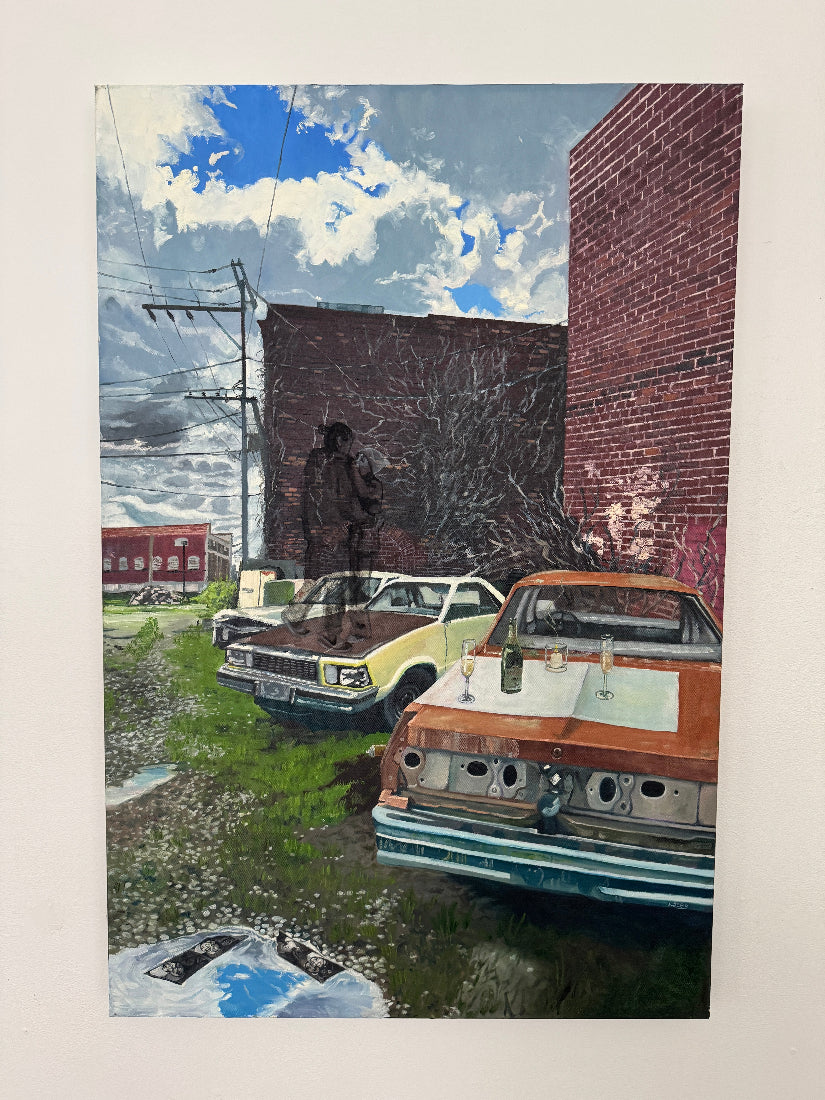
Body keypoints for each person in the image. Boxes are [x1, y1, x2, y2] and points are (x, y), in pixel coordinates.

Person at [301, 422, 369, 579]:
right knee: (338, 584)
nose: (349, 448)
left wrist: (314, 531)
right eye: (348, 444)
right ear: (339, 441)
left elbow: (311, 501)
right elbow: (347, 500)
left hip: (317, 537)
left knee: (316, 585)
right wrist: (361, 518)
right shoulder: (343, 465)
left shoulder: (316, 461)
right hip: (337, 537)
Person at [349, 446, 388, 571]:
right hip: (357, 532)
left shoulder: (374, 484)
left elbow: (363, 492)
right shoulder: (357, 482)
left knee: (365, 569)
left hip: (368, 532)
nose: (359, 464)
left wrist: (353, 470)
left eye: (362, 461)